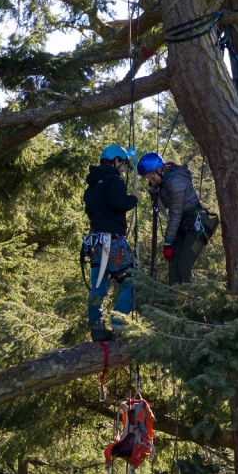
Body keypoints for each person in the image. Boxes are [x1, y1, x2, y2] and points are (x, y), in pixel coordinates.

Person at [82, 144, 138, 341]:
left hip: (96, 242)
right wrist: (133, 199)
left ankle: (97, 326)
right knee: (132, 282)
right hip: (112, 242)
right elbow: (118, 203)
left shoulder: (92, 185)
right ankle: (118, 325)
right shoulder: (113, 180)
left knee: (99, 286)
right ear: (116, 161)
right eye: (122, 164)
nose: (122, 168)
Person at [137, 152, 218, 285]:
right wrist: (154, 193)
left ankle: (192, 302)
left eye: (151, 177)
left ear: (159, 169)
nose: (151, 181)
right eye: (148, 179)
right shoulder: (164, 182)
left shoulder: (175, 181)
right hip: (184, 226)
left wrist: (168, 243)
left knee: (183, 267)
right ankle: (176, 303)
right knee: (173, 269)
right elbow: (164, 207)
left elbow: (175, 214)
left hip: (198, 225)